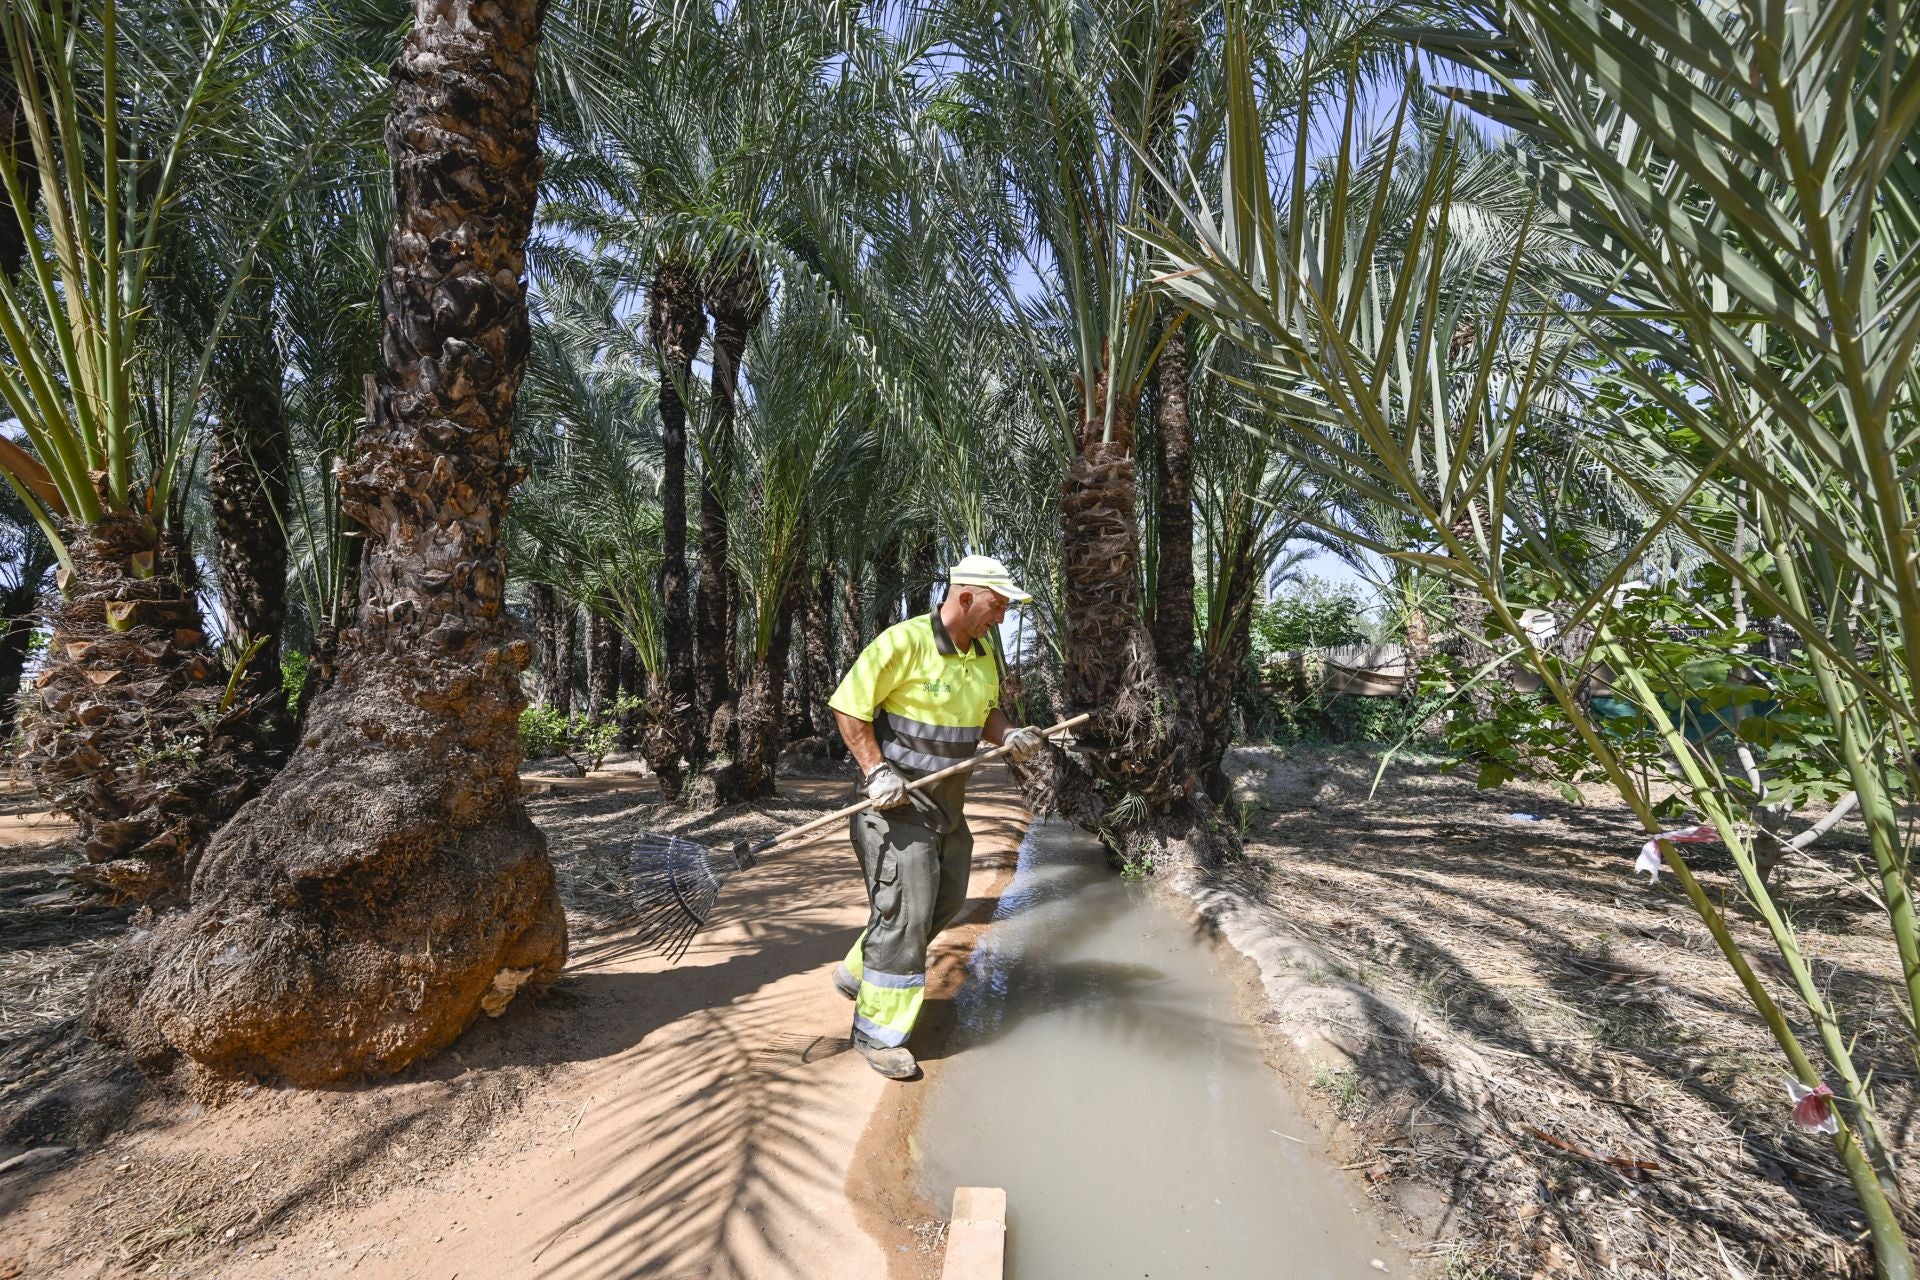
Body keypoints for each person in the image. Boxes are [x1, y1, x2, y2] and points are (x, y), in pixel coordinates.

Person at [827, 555, 1047, 1079]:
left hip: (948, 806)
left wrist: (1008, 735)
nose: (1002, 618)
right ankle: (879, 1033)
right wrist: (877, 771)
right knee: (907, 913)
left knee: (945, 901)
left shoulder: (984, 652)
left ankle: (860, 970)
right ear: (966, 596)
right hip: (896, 808)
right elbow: (849, 706)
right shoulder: (903, 643)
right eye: (998, 606)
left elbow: (986, 712)